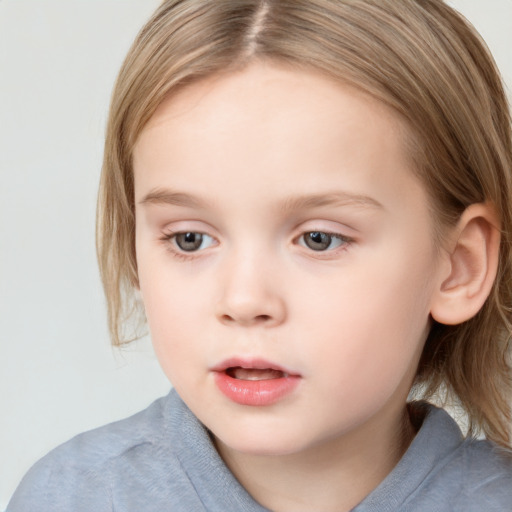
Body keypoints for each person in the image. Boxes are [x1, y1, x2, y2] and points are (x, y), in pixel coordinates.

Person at [7, 0, 512, 510]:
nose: (245, 300)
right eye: (190, 239)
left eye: (319, 238)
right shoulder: (71, 497)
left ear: (458, 267)